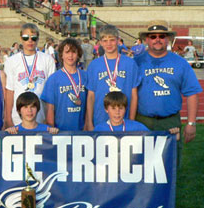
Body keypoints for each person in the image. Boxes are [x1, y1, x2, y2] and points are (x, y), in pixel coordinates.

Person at [134, 20, 202, 167]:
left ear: (168, 39)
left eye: (161, 36)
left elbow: (192, 94)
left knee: (169, 165)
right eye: (153, 36)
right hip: (142, 121)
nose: (157, 39)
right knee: (140, 165)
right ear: (147, 39)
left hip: (170, 122)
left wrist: (191, 123)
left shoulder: (180, 63)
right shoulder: (136, 62)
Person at [85, 24, 141, 130]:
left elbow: (134, 95)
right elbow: (91, 96)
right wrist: (89, 121)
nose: (108, 44)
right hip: (100, 118)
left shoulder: (130, 63)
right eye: (105, 41)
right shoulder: (94, 65)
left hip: (123, 120)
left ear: (118, 40)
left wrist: (132, 121)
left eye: (112, 40)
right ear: (100, 42)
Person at [4, 23, 56, 127]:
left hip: (41, 116)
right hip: (17, 118)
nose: (30, 41)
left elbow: (51, 92)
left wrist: (50, 119)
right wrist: (8, 119)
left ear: (38, 39)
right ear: (21, 39)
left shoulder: (47, 60)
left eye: (33, 38)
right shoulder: (11, 61)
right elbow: (9, 92)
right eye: (26, 37)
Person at [41, 38, 87, 131]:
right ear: (61, 55)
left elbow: (90, 104)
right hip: (60, 130)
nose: (70, 55)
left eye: (73, 52)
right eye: (67, 52)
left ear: (78, 54)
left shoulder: (86, 76)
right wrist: (51, 129)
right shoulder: (54, 79)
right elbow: (50, 108)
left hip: (82, 131)